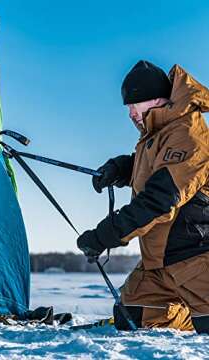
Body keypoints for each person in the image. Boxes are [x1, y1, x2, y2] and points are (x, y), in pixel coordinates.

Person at [77, 60, 209, 333]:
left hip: (196, 258)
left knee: (205, 326)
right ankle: (187, 311)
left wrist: (104, 236)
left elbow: (159, 202)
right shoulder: (159, 134)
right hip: (159, 265)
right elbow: (150, 166)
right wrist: (122, 168)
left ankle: (194, 312)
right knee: (131, 315)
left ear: (155, 99)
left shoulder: (187, 135)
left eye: (133, 104)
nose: (130, 112)